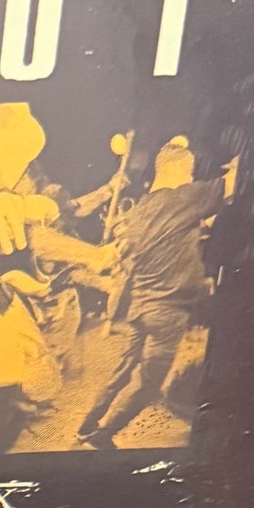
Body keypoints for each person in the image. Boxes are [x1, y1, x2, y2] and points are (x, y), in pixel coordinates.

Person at [77, 138, 233, 447]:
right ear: (182, 170)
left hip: (140, 306)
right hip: (168, 311)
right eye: (190, 173)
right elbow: (230, 185)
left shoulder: (139, 211)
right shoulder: (181, 199)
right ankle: (102, 436)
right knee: (148, 384)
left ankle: (86, 424)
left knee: (122, 371)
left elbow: (172, 234)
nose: (191, 179)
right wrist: (239, 164)